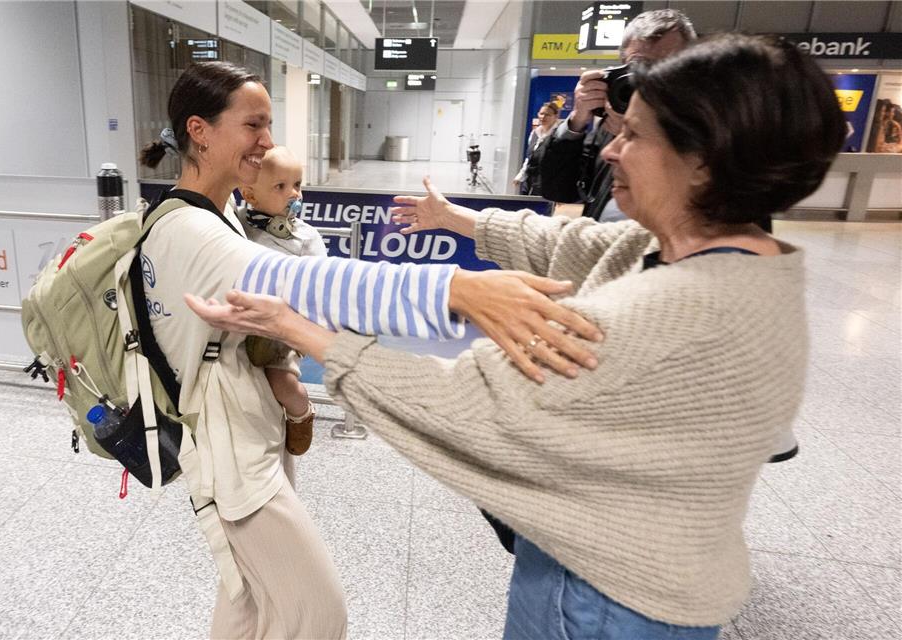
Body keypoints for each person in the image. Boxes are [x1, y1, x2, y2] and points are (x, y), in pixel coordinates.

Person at [185, 34, 845, 639]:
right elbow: (572, 243)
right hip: (661, 571)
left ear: (703, 160)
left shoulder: (672, 310)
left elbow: (463, 405)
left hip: (603, 600)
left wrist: (301, 329)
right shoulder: (732, 255)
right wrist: (458, 221)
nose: (611, 148)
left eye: (636, 135)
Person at [136, 61, 601, 639]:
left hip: (253, 423)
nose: (269, 141)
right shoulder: (189, 230)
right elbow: (314, 287)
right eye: (253, 124)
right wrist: (458, 289)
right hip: (228, 449)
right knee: (317, 612)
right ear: (200, 130)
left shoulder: (223, 211)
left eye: (270, 124)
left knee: (249, 599)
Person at [539, 9, 696, 221]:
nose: (651, 81)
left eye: (667, 68)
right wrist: (577, 121)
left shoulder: (714, 132)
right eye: (639, 68)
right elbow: (559, 190)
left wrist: (638, 136)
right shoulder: (611, 122)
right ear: (623, 69)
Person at [235, 145, 325, 485]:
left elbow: (317, 284)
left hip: (277, 335)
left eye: (297, 184)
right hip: (237, 329)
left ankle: (301, 411)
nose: (293, 194)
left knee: (282, 383)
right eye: (280, 187)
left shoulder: (304, 236)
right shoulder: (236, 224)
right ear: (249, 193)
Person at [512, 102, 561, 195]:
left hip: (547, 183)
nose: (543, 117)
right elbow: (529, 158)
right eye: (541, 113)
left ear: (556, 116)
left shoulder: (559, 135)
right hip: (530, 181)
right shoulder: (534, 133)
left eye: (547, 114)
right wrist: (520, 176)